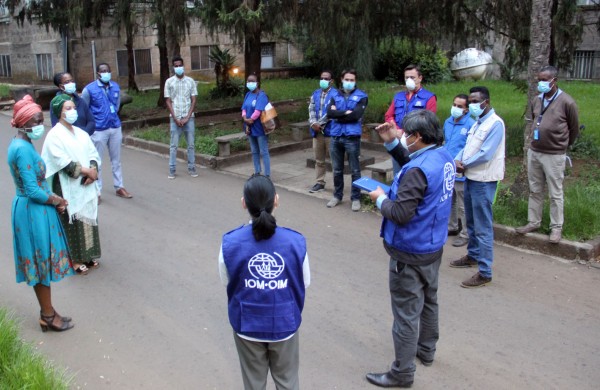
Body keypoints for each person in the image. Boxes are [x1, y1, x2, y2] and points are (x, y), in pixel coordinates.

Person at [366, 110, 455, 389]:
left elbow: (401, 212)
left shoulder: (418, 170)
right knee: (429, 300)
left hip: (409, 248)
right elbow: (415, 168)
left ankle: (402, 373)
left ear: (418, 137)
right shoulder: (443, 156)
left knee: (405, 313)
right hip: (432, 244)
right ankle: (426, 351)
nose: (402, 136)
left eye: (405, 134)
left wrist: (380, 199)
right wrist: (392, 142)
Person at [219, 175, 310, 390]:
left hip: (246, 325)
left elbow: (227, 281)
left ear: (244, 203)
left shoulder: (230, 243)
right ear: (276, 200)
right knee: (288, 381)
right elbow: (304, 282)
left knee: (254, 383)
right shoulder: (296, 242)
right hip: (285, 324)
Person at [7, 95, 75, 332]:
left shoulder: (22, 144)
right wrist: (57, 200)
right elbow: (33, 190)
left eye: (41, 119)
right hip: (32, 211)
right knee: (40, 261)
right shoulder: (22, 149)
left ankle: (48, 311)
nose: (40, 125)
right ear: (24, 122)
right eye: (36, 120)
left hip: (32, 209)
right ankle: (47, 316)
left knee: (41, 260)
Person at [516, 65, 579, 244]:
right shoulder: (537, 100)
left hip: (554, 154)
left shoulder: (567, 102)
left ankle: (556, 228)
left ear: (554, 81)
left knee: (555, 192)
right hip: (535, 151)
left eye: (545, 80)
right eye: (539, 80)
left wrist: (563, 144)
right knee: (535, 189)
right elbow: (535, 120)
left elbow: (574, 128)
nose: (541, 83)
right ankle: (533, 221)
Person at [450, 86, 505, 288]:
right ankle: (473, 255)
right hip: (471, 178)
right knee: (471, 222)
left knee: (482, 226)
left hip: (484, 180)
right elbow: (467, 147)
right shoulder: (477, 123)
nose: (471, 105)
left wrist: (464, 164)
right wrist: (456, 160)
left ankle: (485, 272)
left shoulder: (495, 124)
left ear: (486, 103)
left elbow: (485, 153)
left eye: (475, 102)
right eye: (470, 101)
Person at [42, 94, 102, 276]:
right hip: (67, 184)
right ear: (59, 112)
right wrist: (87, 171)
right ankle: (74, 259)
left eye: (73, 108)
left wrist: (93, 170)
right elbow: (63, 162)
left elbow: (93, 154)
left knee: (88, 219)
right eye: (67, 109)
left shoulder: (82, 133)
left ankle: (89, 255)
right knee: (73, 220)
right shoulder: (54, 135)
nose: (72, 111)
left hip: (86, 182)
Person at [82, 62, 133, 201]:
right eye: (102, 71)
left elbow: (116, 106)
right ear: (98, 73)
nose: (105, 73)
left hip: (115, 127)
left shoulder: (115, 87)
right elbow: (84, 108)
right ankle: (97, 191)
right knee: (97, 160)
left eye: (107, 70)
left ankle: (119, 186)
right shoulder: (89, 89)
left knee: (116, 160)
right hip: (98, 129)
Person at [381, 64, 437, 175]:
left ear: (420, 78)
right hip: (398, 140)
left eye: (412, 77)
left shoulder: (429, 97)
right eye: (407, 78)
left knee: (414, 173)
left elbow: (428, 121)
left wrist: (406, 133)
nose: (409, 80)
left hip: (416, 142)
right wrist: (396, 130)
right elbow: (389, 115)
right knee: (398, 172)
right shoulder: (399, 96)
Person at [326, 69, 368, 211]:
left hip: (352, 137)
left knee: (355, 169)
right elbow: (329, 113)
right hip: (336, 136)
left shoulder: (362, 96)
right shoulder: (334, 95)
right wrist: (345, 113)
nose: (349, 82)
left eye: (352, 80)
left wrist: (339, 115)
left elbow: (356, 115)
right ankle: (337, 196)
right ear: (342, 79)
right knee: (337, 169)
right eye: (347, 79)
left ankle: (356, 198)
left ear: (355, 81)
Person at [443, 94, 475, 247]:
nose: (455, 108)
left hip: (461, 168)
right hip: (448, 167)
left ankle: (466, 233)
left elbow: (470, 148)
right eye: (454, 104)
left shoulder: (470, 124)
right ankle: (452, 226)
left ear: (466, 109)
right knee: (449, 200)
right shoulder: (447, 122)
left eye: (460, 106)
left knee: (462, 203)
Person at [165, 55, 198, 179]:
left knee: (190, 145)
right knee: (173, 146)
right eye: (176, 66)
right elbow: (168, 101)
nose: (178, 68)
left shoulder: (190, 81)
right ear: (173, 67)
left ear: (183, 66)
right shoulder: (169, 82)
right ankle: (172, 169)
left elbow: (194, 100)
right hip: (175, 118)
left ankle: (192, 167)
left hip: (189, 118)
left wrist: (187, 117)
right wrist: (175, 118)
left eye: (180, 65)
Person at [307, 70, 339, 193]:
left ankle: (338, 185)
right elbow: (311, 109)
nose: (323, 81)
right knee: (319, 160)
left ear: (331, 81)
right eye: (322, 78)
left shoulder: (336, 95)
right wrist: (313, 123)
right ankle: (320, 182)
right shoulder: (315, 93)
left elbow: (332, 113)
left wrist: (318, 124)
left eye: (326, 79)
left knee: (335, 160)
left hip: (330, 132)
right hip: (317, 132)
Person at [242, 74, 271, 177]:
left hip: (260, 127)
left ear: (257, 83)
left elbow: (258, 111)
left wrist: (251, 119)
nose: (250, 83)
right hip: (249, 127)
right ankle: (257, 171)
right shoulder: (248, 94)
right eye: (248, 81)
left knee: (263, 151)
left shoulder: (261, 95)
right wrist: (245, 118)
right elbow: (244, 108)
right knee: (254, 151)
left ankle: (267, 174)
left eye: (252, 81)